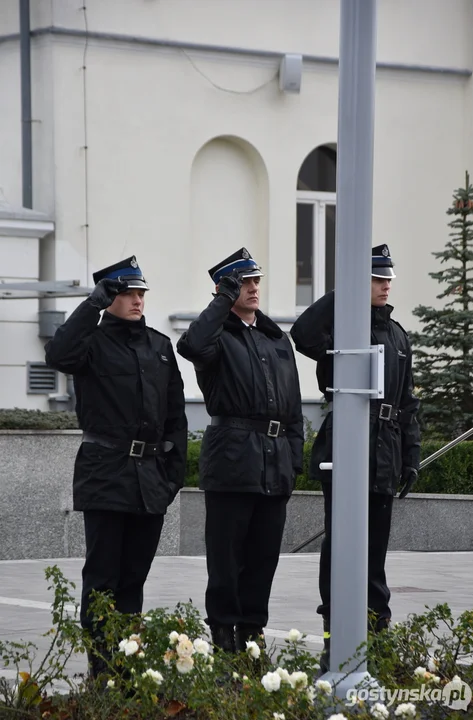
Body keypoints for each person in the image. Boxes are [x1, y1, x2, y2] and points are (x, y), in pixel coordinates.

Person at [45, 256, 187, 677]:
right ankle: (102, 670)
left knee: (133, 580)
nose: (137, 299)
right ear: (109, 296)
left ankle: (128, 668)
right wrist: (92, 305)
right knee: (103, 577)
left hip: (149, 479)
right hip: (105, 472)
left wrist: (172, 475)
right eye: (126, 292)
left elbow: (176, 416)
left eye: (141, 292)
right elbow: (58, 353)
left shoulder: (160, 346)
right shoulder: (91, 342)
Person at [290, 244, 420, 670]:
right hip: (347, 445)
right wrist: (340, 293)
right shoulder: (343, 326)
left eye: (387, 280)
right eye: (375, 279)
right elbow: (303, 334)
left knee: (375, 550)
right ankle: (335, 631)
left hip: (385, 449)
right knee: (341, 546)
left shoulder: (398, 335)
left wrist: (411, 457)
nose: (384, 286)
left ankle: (376, 631)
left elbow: (407, 403)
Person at [177, 248, 304, 653]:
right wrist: (220, 300)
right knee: (226, 560)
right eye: (244, 282)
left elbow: (295, 407)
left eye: (255, 281)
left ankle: (252, 635)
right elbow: (192, 346)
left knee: (263, 558)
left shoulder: (274, 337)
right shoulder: (216, 337)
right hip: (233, 459)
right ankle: (224, 635)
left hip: (275, 461)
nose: (253, 288)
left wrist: (294, 457)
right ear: (225, 288)